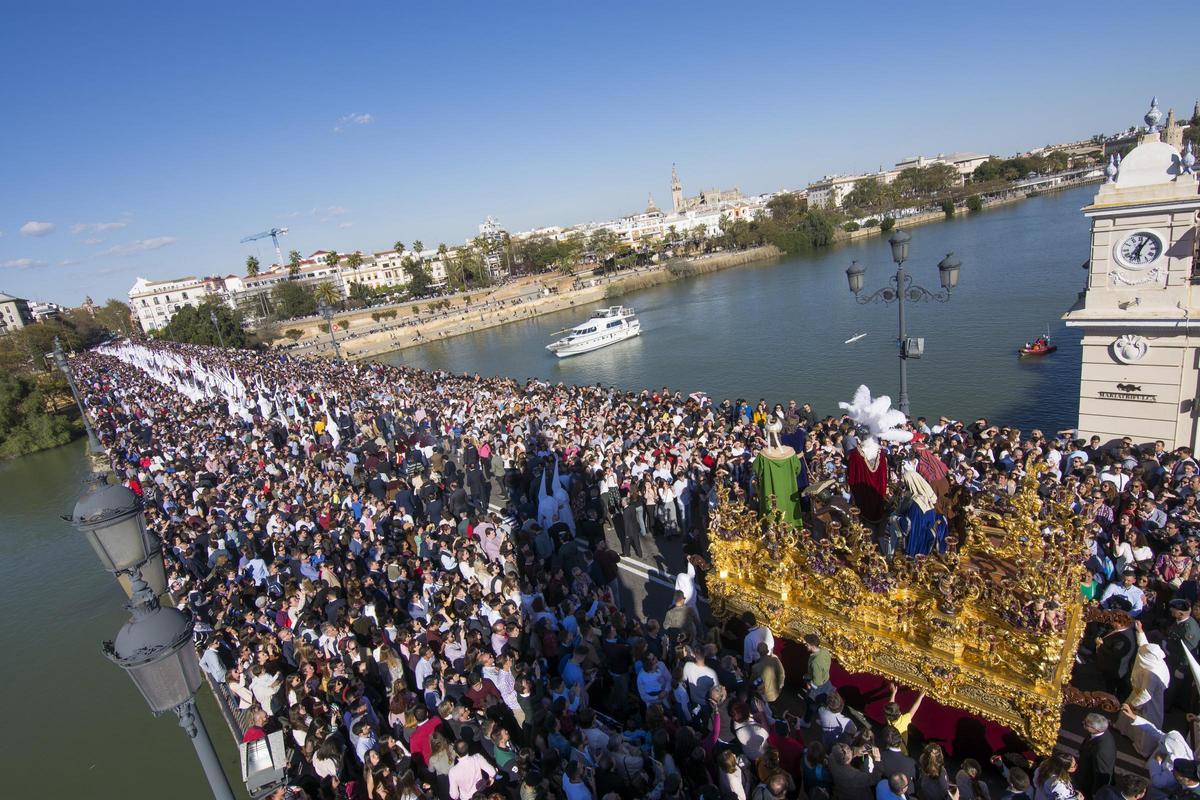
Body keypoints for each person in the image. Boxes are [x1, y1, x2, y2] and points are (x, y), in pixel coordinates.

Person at [1075, 714, 1116, 800]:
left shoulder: (1102, 750)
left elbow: (1101, 774)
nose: (1083, 723)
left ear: (1096, 729)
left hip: (1089, 784)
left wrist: (1096, 793)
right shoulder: (1098, 733)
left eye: (1086, 724)